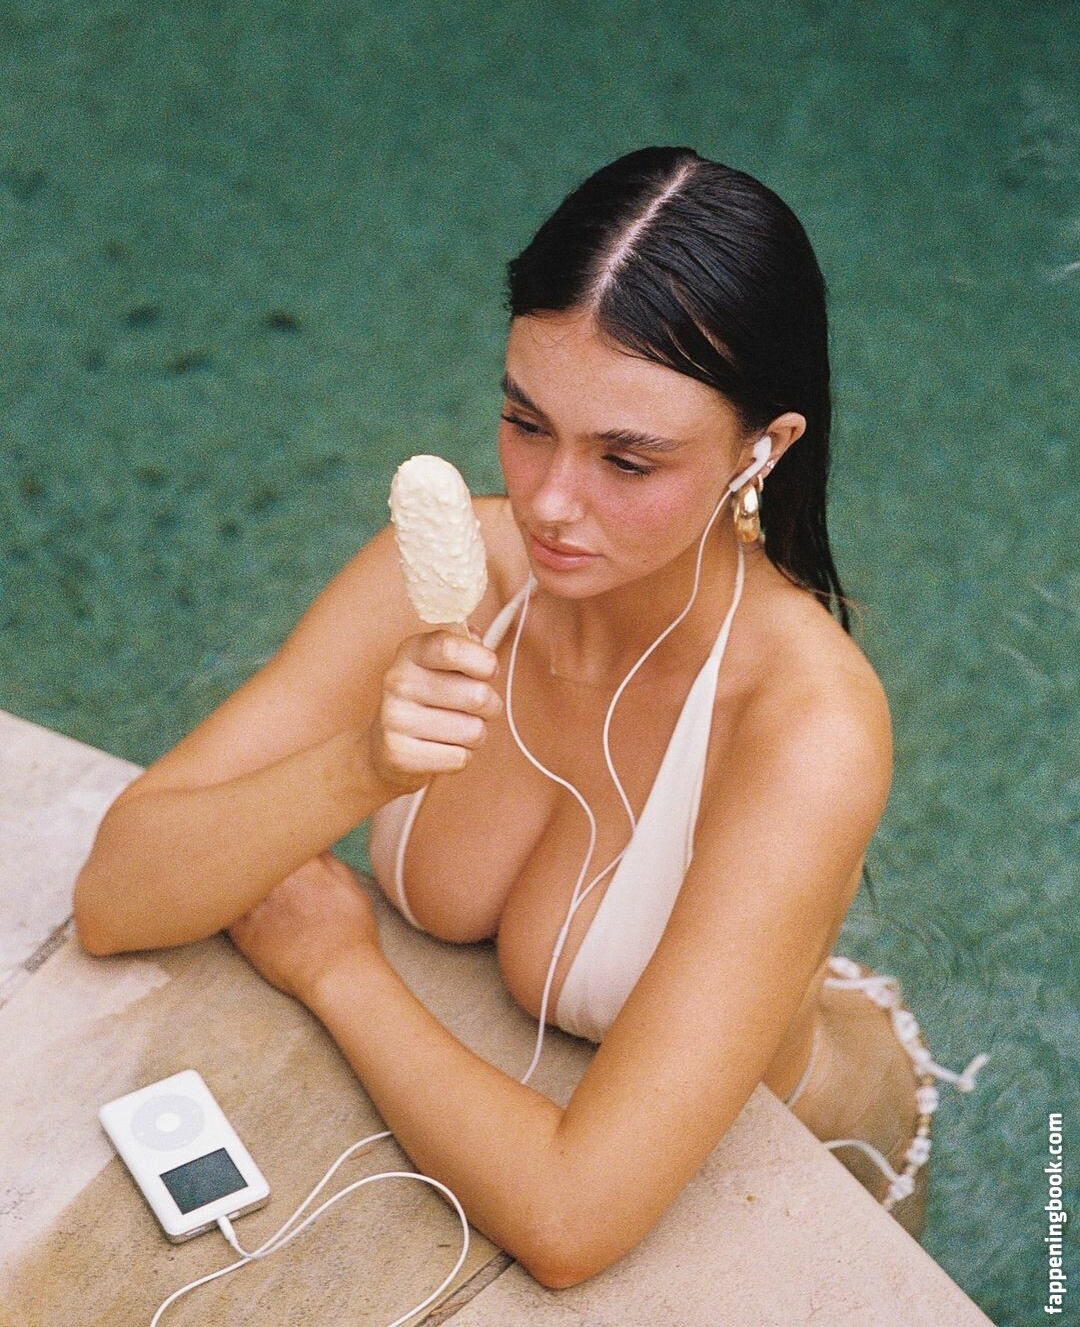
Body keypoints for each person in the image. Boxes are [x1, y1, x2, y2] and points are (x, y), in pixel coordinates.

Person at [73, 147, 987, 1287]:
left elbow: (571, 1221)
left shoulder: (807, 731)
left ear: (765, 448)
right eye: (526, 420)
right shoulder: (465, 572)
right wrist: (360, 766)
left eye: (628, 460)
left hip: (802, 1175)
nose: (550, 503)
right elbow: (115, 899)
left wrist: (339, 968)